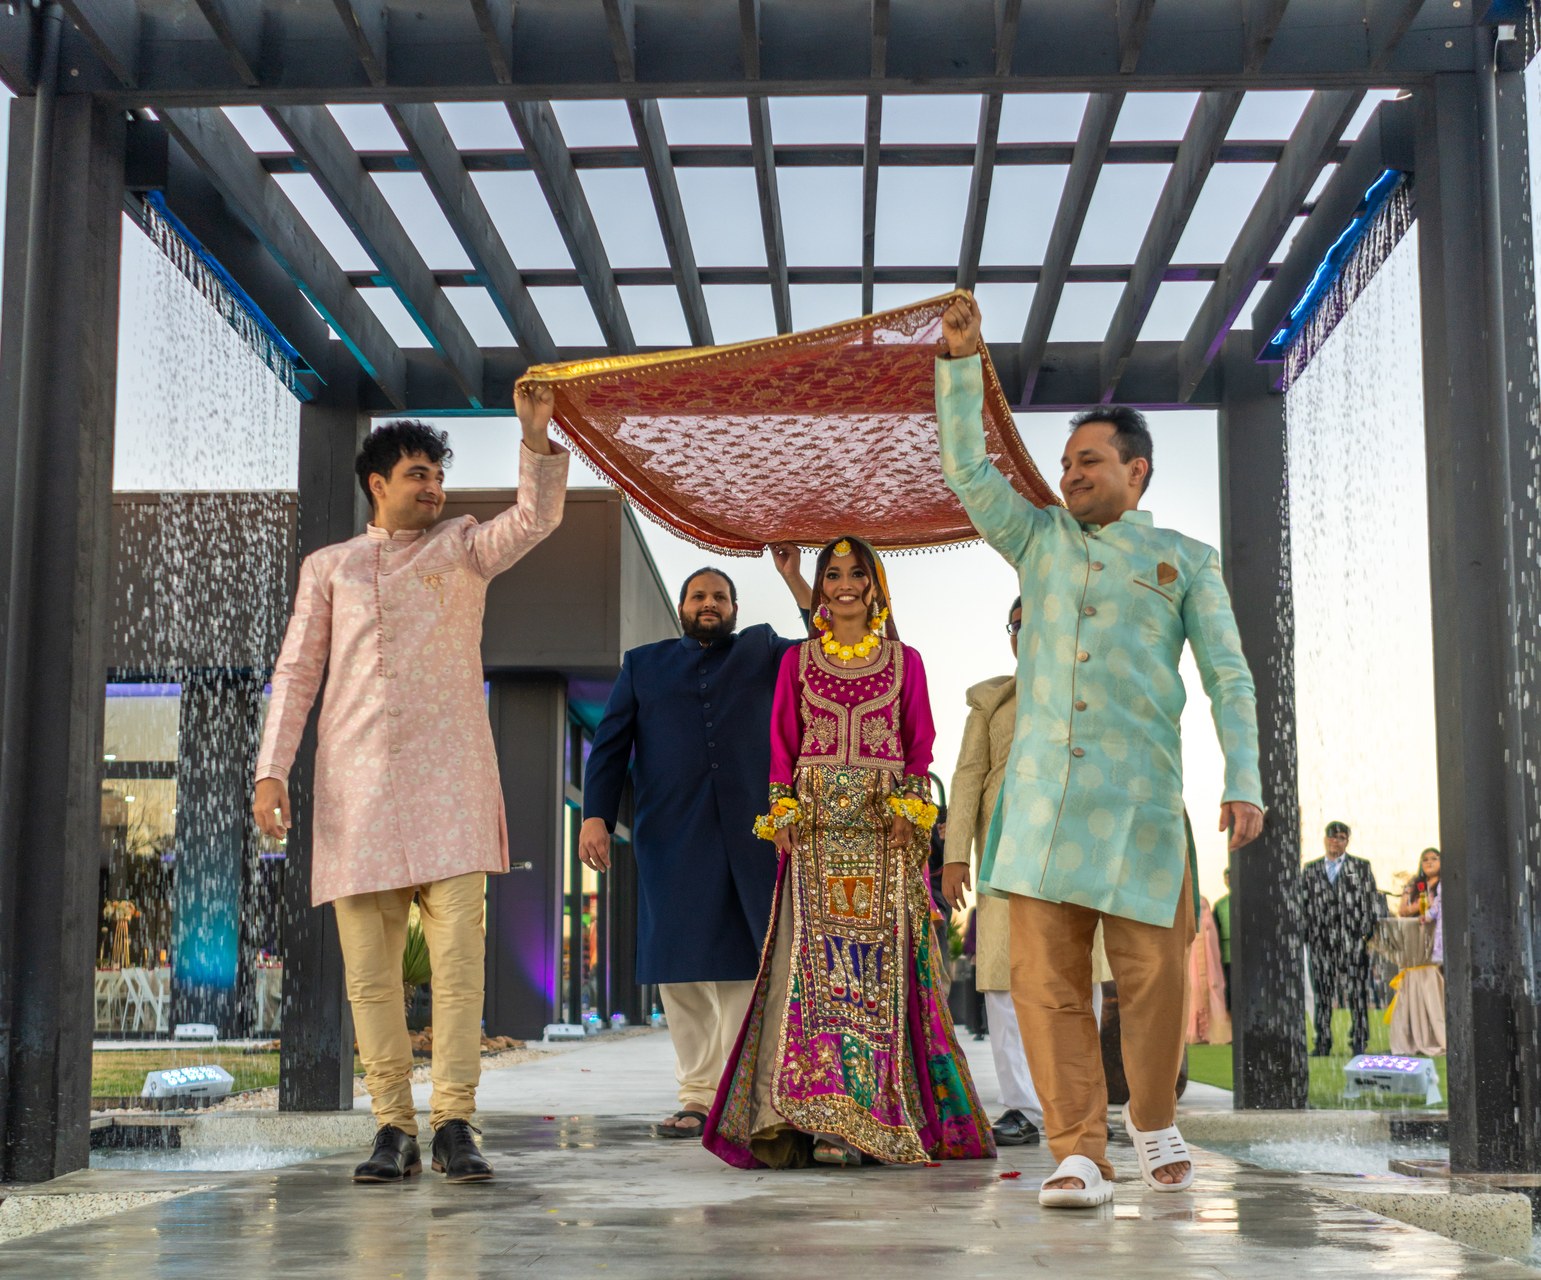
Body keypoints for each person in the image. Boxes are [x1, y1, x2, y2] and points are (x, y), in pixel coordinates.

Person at [935, 292, 1265, 1207]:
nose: (1069, 474)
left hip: (1142, 805)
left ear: (1136, 471)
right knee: (1044, 985)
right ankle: (1077, 1147)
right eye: (1065, 461)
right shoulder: (1037, 540)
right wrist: (963, 366)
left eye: (1087, 460)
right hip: (1040, 809)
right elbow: (967, 469)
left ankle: (1151, 1116)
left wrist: (1244, 776)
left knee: (1153, 976)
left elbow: (1229, 679)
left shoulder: (1185, 561)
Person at [252, 393, 568, 1184]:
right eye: (417, 474)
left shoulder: (463, 547)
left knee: (460, 967)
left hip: (453, 786)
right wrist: (269, 769)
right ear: (375, 484)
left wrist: (533, 438)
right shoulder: (329, 568)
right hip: (355, 795)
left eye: (438, 475)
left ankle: (455, 1121)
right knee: (371, 975)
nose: (434, 488)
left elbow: (533, 520)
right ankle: (391, 1127)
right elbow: (296, 674)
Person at [703, 536, 995, 1169]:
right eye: (831, 574)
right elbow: (782, 746)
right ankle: (811, 1117)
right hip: (813, 836)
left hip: (881, 836)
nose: (842, 584)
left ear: (874, 585)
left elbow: (921, 749)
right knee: (814, 973)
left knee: (876, 975)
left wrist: (910, 811)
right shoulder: (799, 663)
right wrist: (780, 812)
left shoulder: (903, 661)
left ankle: (871, 1119)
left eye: (854, 574)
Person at [578, 555, 812, 1139]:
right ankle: (696, 1096)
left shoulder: (763, 652)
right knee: (680, 972)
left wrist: (795, 580)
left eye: (720, 598)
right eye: (698, 597)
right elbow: (609, 747)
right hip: (671, 837)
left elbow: (827, 643)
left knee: (741, 967)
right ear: (682, 608)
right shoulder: (643, 665)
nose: (709, 605)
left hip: (752, 837)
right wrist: (596, 817)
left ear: (735, 610)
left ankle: (736, 1093)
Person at [1302, 821, 1380, 1057]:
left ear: (1348, 841)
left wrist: (1365, 935)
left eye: (1341, 837)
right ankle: (1322, 1042)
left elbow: (1370, 901)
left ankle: (1359, 1041)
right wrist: (1308, 935)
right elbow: (1303, 903)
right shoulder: (1311, 869)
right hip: (1320, 941)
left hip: (1352, 940)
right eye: (1332, 837)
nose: (1336, 841)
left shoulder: (1360, 867)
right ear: (1325, 839)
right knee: (1322, 995)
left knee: (1358, 994)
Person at [1397, 847, 1441, 918]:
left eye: (1434, 859)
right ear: (1421, 864)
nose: (1429, 862)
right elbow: (1402, 912)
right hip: (1417, 926)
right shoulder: (1413, 884)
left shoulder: (1446, 883)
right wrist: (1420, 905)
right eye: (1425, 860)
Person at [1213, 868, 1232, 1009]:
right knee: (1228, 986)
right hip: (1226, 954)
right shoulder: (1220, 904)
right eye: (1226, 878)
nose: (1228, 881)